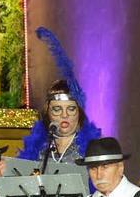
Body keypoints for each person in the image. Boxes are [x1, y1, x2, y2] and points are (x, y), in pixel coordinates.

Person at [20, 27, 101, 166]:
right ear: (48, 113)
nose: (64, 115)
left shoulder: (93, 149)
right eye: (57, 109)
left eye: (71, 109)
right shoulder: (37, 149)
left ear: (79, 113)